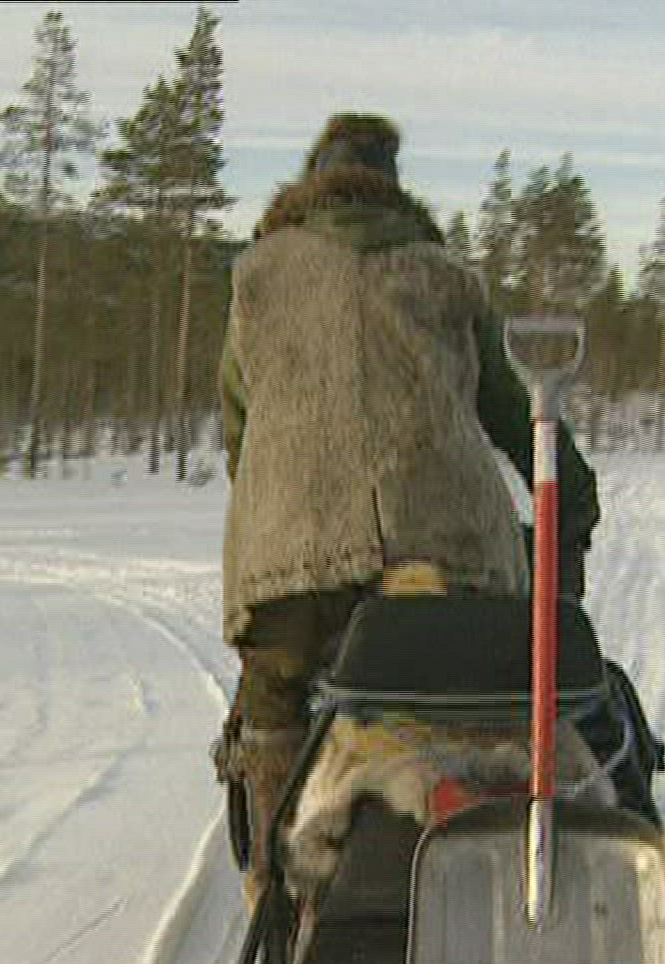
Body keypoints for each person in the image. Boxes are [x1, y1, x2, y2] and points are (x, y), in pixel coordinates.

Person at [217, 113, 600, 904]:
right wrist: (573, 508)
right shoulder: (441, 275)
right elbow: (515, 412)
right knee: (478, 682)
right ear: (391, 187)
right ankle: (504, 825)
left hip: (293, 554)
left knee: (273, 696)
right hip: (448, 543)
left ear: (311, 181)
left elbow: (240, 430)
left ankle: (274, 882)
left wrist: (277, 515)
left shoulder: (258, 278)